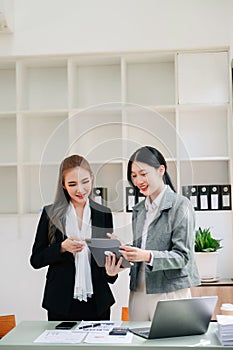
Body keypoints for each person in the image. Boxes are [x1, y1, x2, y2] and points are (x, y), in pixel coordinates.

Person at [30, 154, 123, 321]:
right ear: (64, 185)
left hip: (97, 301)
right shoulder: (51, 214)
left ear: (92, 179)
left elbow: (107, 269)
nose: (80, 190)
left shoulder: (103, 214)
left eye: (85, 182)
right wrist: (62, 247)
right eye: (72, 184)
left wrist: (113, 269)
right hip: (61, 300)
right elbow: (36, 259)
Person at [118, 146, 200, 321]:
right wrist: (125, 250)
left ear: (161, 170)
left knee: (170, 347)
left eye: (143, 173)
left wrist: (147, 256)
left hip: (169, 293)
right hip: (138, 291)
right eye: (133, 175)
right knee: (138, 345)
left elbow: (182, 256)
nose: (138, 180)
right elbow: (144, 248)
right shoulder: (139, 209)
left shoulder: (181, 206)